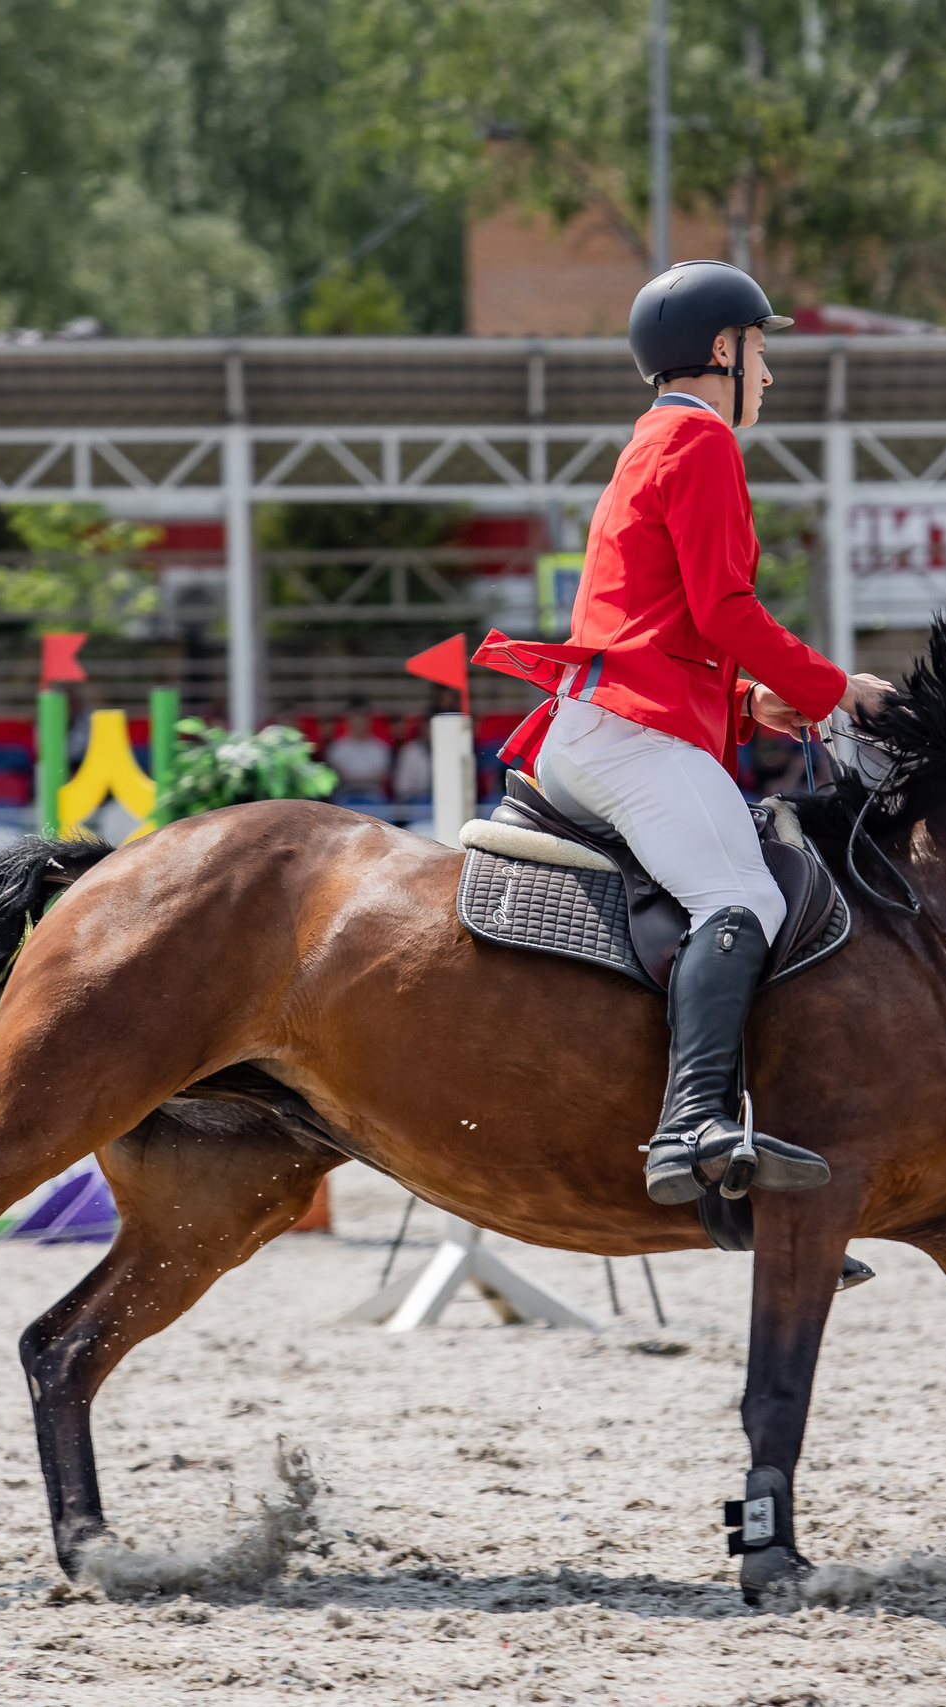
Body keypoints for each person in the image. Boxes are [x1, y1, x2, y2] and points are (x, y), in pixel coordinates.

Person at [474, 259, 892, 1207]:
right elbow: (728, 608)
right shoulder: (702, 444)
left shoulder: (652, 441)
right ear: (721, 351)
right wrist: (833, 694)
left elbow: (664, 626)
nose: (770, 375)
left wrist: (752, 707)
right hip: (632, 737)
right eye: (761, 352)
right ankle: (692, 1128)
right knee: (743, 898)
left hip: (607, 723)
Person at [324, 702, 394, 801]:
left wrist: (352, 777)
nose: (359, 721)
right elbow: (337, 776)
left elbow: (382, 776)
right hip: (345, 793)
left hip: (373, 794)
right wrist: (367, 777)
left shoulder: (381, 748)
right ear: (348, 719)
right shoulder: (337, 748)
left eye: (363, 716)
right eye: (356, 716)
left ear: (369, 720)